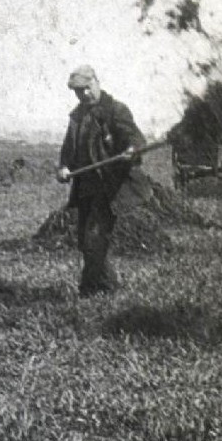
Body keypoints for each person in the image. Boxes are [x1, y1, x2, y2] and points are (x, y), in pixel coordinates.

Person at [56, 65, 146, 297]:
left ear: (97, 82)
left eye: (87, 88)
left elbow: (135, 138)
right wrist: (64, 167)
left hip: (110, 187)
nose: (84, 94)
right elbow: (68, 149)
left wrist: (131, 149)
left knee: (94, 238)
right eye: (78, 91)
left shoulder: (115, 110)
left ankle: (89, 290)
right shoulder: (76, 117)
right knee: (87, 241)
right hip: (85, 187)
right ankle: (107, 286)